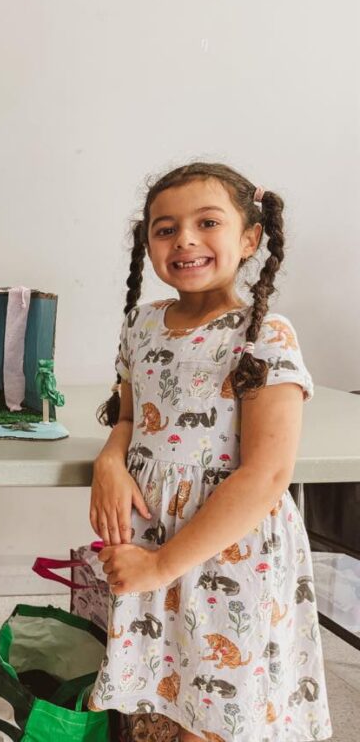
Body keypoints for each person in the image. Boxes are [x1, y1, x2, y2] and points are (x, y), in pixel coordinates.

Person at [87, 164, 331, 741]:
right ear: (146, 245)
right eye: (165, 229)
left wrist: (161, 566)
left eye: (207, 222)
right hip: (152, 536)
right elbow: (127, 414)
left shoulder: (266, 333)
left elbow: (266, 474)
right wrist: (110, 460)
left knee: (215, 705)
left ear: (249, 238)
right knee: (159, 693)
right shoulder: (142, 325)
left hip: (227, 549)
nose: (185, 240)